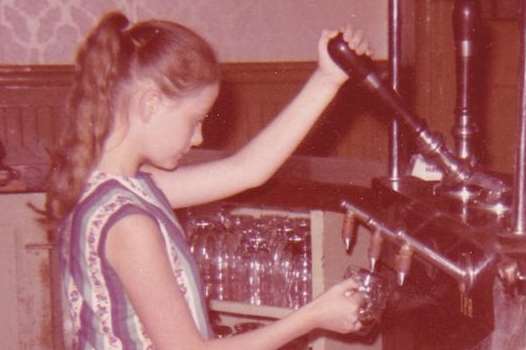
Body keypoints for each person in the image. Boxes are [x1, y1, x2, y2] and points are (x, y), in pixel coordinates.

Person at [43, 11, 371, 350]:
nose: (199, 137)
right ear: (150, 104)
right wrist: (312, 317)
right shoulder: (129, 224)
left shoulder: (113, 187)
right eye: (195, 119)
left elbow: (248, 170)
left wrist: (327, 79)